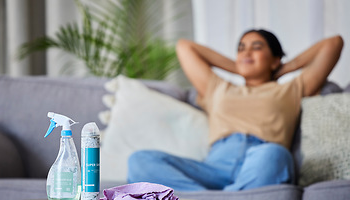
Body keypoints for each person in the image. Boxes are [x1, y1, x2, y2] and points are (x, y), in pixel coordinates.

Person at [127, 29, 344, 191]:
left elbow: (334, 44)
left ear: (275, 58)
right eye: (241, 48)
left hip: (260, 163)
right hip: (214, 166)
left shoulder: (290, 89)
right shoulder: (218, 88)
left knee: (275, 154)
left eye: (256, 47)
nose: (246, 52)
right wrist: (241, 66)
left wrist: (281, 69)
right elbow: (184, 46)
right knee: (140, 161)